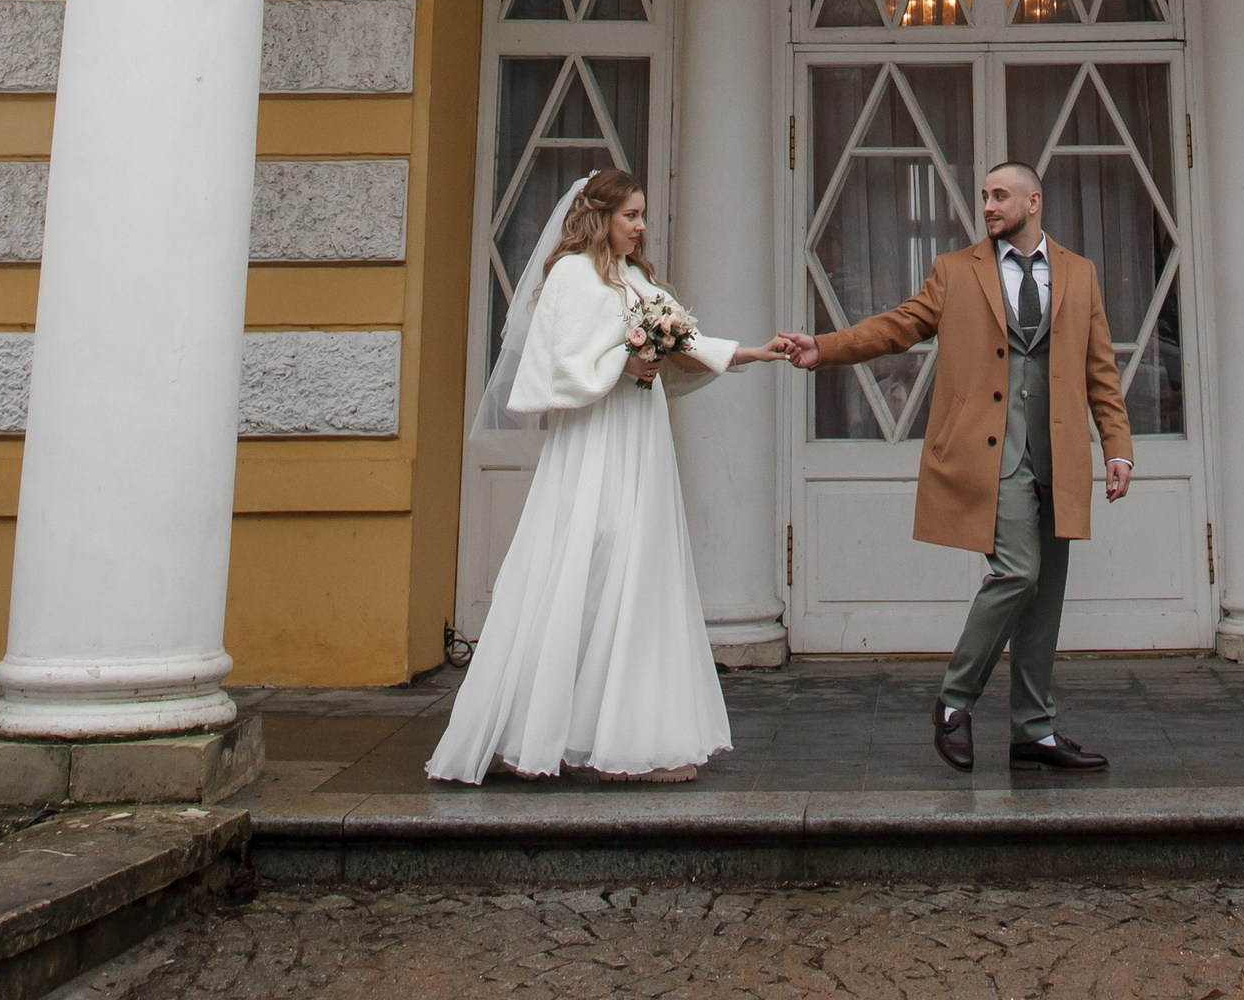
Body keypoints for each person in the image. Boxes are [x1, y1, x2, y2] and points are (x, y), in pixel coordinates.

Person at [427, 168, 782, 784]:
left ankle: (633, 740)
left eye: (642, 215)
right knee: (580, 562)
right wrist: (626, 362)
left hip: (640, 436)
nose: (641, 227)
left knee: (639, 565)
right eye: (631, 216)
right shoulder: (569, 277)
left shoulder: (636, 279)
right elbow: (561, 364)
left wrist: (752, 352)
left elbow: (687, 340)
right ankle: (522, 732)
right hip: (592, 440)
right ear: (601, 216)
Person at [781, 159, 1132, 772]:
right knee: (1017, 573)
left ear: (1033, 202)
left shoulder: (1079, 273)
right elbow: (898, 327)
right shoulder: (955, 270)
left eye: (1000, 196)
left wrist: (1117, 447)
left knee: (1045, 595)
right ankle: (954, 700)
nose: (988, 206)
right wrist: (827, 347)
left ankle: (1034, 729)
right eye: (985, 196)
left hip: (1060, 456)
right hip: (993, 455)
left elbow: (1100, 368)